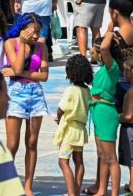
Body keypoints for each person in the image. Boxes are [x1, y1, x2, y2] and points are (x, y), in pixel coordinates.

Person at [2, 14, 49, 196]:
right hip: (16, 94)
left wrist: (17, 72)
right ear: (22, 30)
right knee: (12, 143)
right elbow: (18, 67)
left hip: (35, 94)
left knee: (32, 142)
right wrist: (22, 44)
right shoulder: (10, 43)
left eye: (37, 32)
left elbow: (43, 76)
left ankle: (28, 186)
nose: (35, 36)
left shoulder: (41, 47)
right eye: (32, 32)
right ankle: (6, 183)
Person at [88, 30, 122, 196]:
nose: (91, 51)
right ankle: (101, 190)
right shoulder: (103, 69)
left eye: (94, 49)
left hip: (106, 113)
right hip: (98, 111)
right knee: (101, 154)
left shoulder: (112, 67)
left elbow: (104, 48)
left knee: (110, 158)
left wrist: (109, 31)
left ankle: (114, 193)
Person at [54, 54, 92, 196]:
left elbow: (60, 109)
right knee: (79, 161)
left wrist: (59, 118)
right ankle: (75, 190)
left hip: (69, 130)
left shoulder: (70, 90)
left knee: (63, 161)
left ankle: (71, 193)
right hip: (80, 130)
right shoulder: (87, 90)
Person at [119, 58, 133, 194]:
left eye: (125, 71)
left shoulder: (130, 92)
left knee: (132, 159)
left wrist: (119, 116)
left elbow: (129, 116)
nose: (124, 74)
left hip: (130, 130)